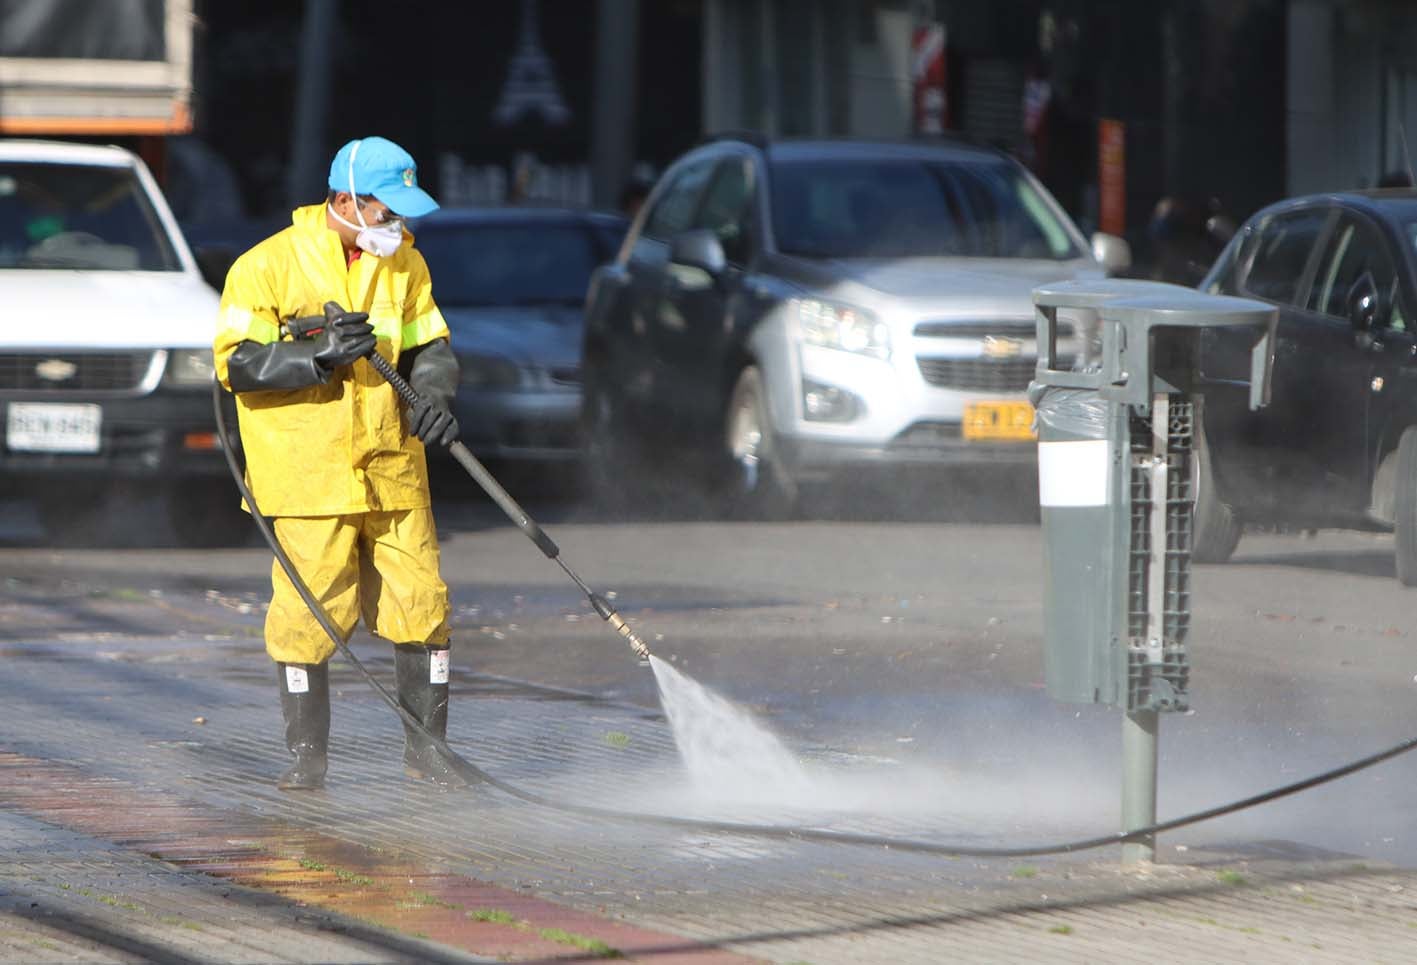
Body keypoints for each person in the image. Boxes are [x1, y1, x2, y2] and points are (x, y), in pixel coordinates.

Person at [213, 136, 462, 790]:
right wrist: (317, 355)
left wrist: (433, 395)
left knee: (422, 604)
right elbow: (235, 364)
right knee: (308, 615)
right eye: (388, 210)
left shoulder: (406, 265)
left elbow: (429, 344)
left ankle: (427, 754)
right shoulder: (265, 266)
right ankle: (307, 759)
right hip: (305, 474)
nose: (398, 224)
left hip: (391, 465)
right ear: (347, 201)